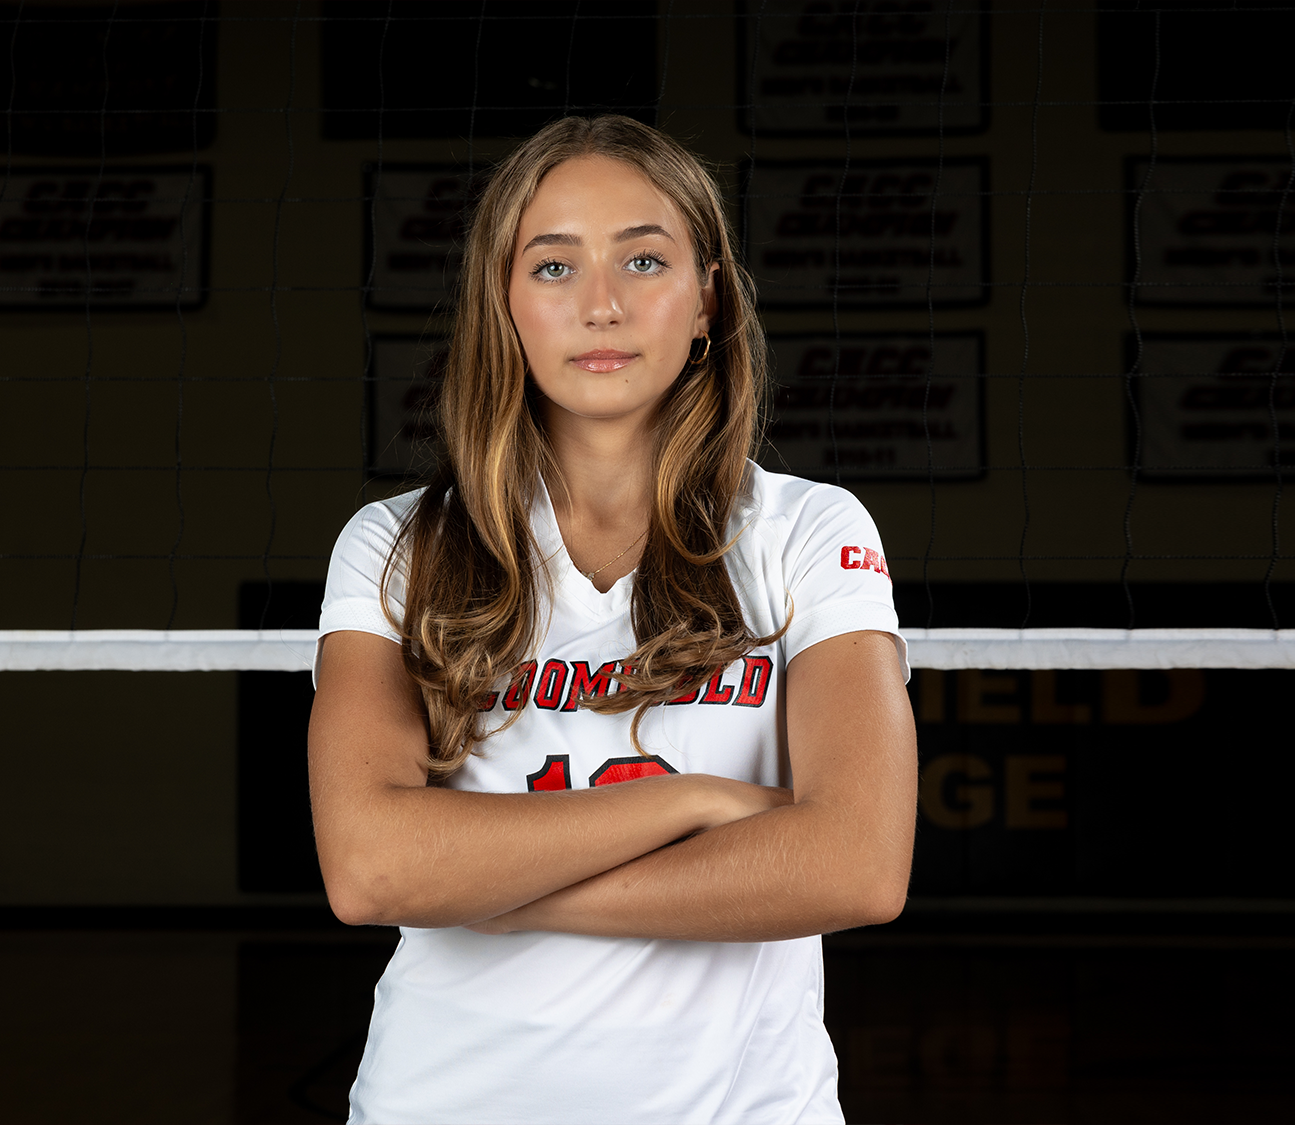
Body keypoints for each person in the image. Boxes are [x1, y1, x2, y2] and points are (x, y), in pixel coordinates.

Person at [308, 114, 916, 1125]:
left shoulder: (806, 531)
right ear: (502, 305)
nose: (600, 304)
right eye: (552, 267)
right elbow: (372, 869)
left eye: (643, 258)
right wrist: (697, 803)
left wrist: (484, 887)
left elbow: (855, 867)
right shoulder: (398, 546)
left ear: (706, 300)